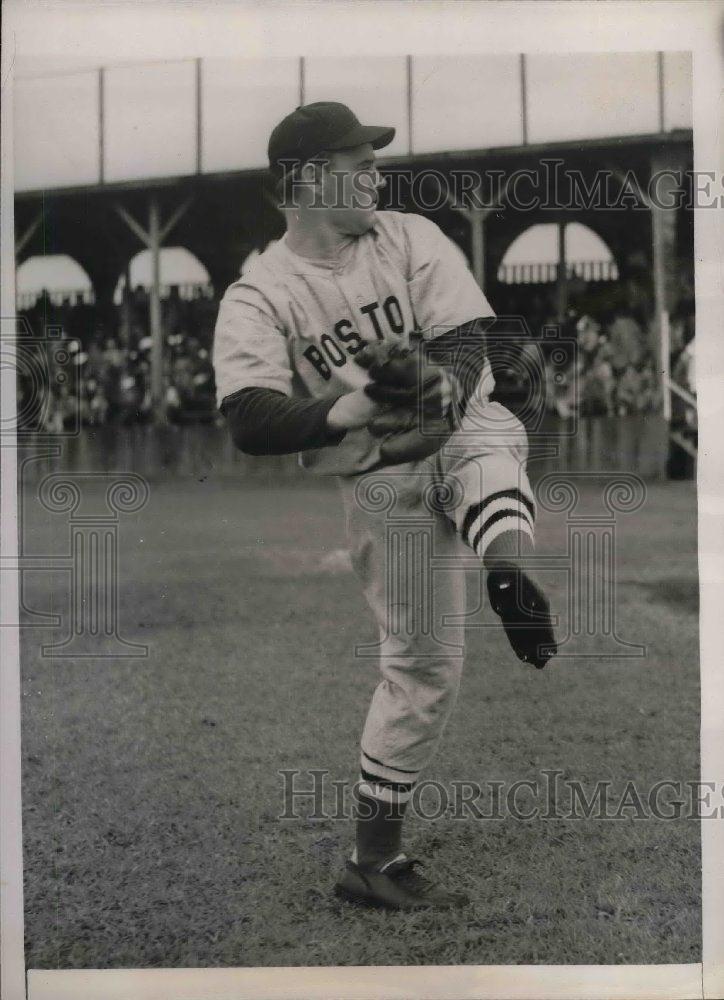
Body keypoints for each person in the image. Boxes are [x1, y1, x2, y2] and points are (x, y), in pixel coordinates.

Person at [213, 102, 556, 911]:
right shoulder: (259, 290)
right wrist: (346, 409)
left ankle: (507, 565)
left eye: (374, 159)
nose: (376, 172)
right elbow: (248, 415)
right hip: (375, 474)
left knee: (484, 430)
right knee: (423, 666)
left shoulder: (405, 235)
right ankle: (372, 861)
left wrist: (433, 384)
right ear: (303, 179)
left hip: (453, 421)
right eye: (357, 160)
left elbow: (473, 338)